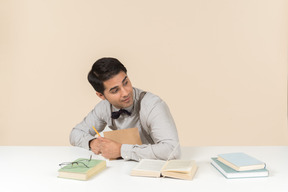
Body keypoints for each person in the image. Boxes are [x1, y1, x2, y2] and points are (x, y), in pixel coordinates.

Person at [70, 57, 180, 161]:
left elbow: (172, 150)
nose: (126, 92)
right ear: (101, 95)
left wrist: (120, 150)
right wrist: (92, 142)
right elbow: (75, 133)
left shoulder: (153, 105)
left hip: (156, 170)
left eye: (126, 83)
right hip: (124, 170)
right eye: (115, 91)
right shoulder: (104, 107)